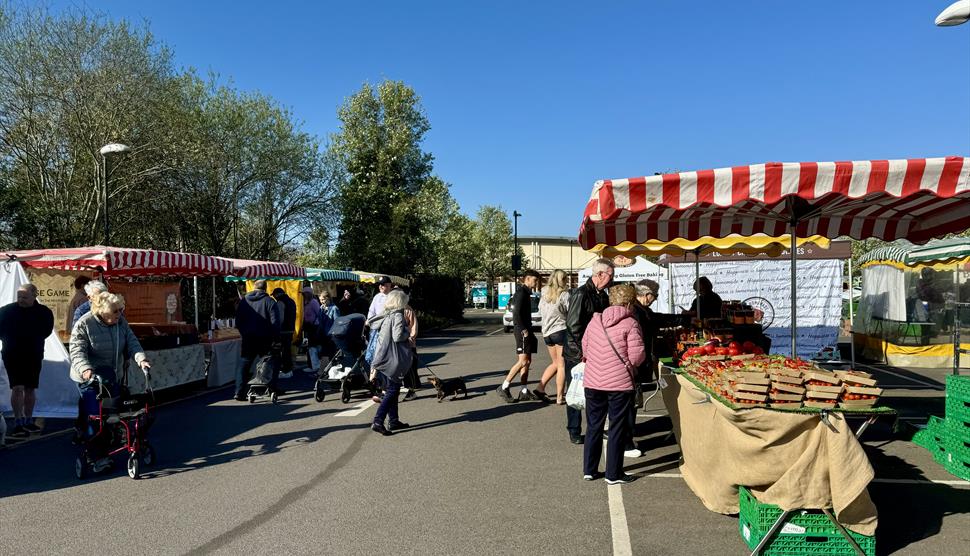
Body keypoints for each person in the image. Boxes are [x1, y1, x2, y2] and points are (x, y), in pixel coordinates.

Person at [581, 284, 645, 485]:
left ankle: (590, 469)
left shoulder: (595, 321)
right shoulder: (631, 323)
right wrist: (630, 366)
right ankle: (613, 474)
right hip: (619, 383)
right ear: (629, 303)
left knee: (593, 425)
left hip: (593, 381)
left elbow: (585, 348)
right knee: (617, 427)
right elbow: (637, 356)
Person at [69, 292, 151, 447]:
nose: (119, 314)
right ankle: (94, 453)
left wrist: (141, 359)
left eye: (120, 310)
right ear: (103, 311)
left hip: (112, 376)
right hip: (90, 377)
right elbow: (76, 351)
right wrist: (85, 369)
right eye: (115, 311)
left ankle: (109, 440)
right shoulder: (84, 323)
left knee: (113, 413)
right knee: (95, 416)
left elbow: (132, 342)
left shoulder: (121, 322)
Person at [563, 258, 614, 444]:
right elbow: (573, 326)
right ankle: (574, 429)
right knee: (576, 390)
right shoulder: (581, 294)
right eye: (610, 276)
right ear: (599, 274)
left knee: (597, 392)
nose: (612, 279)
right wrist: (581, 353)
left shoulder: (602, 295)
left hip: (595, 351)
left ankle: (597, 427)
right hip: (577, 353)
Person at [0, 284, 54, 437]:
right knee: (17, 387)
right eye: (19, 297)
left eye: (25, 297)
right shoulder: (7, 311)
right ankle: (18, 421)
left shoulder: (44, 312)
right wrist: (9, 339)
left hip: (33, 353)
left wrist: (32, 339)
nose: (21, 300)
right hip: (12, 354)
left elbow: (47, 330)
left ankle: (28, 419)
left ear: (34, 296)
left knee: (30, 388)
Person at [367, 290, 413, 436]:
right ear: (400, 302)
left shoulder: (386, 314)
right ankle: (378, 421)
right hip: (393, 359)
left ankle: (394, 420)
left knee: (392, 389)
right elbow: (398, 336)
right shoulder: (398, 315)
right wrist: (408, 333)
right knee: (393, 390)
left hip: (383, 357)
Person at [496, 269, 541, 403]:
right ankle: (504, 387)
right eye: (534, 280)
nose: (536, 282)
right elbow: (516, 313)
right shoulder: (521, 293)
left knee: (527, 361)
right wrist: (523, 330)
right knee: (523, 361)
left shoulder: (526, 293)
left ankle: (524, 391)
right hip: (522, 331)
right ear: (527, 279)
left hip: (527, 329)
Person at [233, 280, 281, 401]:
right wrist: (276, 339)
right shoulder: (269, 301)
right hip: (265, 338)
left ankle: (239, 391)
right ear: (266, 288)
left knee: (244, 364)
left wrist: (245, 333)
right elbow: (275, 322)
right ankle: (271, 388)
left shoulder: (244, 301)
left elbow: (238, 321)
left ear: (254, 287)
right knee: (270, 362)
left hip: (248, 338)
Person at [534, 269, 570, 404]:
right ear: (562, 280)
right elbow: (569, 311)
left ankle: (540, 388)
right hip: (560, 330)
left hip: (546, 331)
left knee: (555, 363)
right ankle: (560, 397)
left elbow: (540, 309)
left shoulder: (544, 292)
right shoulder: (564, 294)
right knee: (562, 365)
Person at [307, 291, 340, 373]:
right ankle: (325, 372)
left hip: (331, 335)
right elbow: (320, 321)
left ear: (328, 298)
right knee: (325, 354)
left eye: (323, 299)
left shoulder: (334, 308)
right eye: (320, 300)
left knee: (326, 354)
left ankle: (321, 372)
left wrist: (334, 335)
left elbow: (337, 322)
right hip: (323, 335)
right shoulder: (322, 308)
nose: (321, 301)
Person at [271, 288, 298, 378]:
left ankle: (286, 370)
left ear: (277, 294)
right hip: (290, 329)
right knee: (287, 349)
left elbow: (280, 318)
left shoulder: (280, 302)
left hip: (283, 330)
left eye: (274, 295)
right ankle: (289, 369)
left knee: (284, 351)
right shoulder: (291, 301)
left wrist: (276, 329)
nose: (274, 297)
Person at [401, 296, 420, 401]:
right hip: (397, 344)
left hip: (408, 343)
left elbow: (414, 325)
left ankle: (412, 388)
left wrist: (411, 337)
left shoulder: (407, 309)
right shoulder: (391, 310)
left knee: (411, 367)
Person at [301, 287, 322, 371]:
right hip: (308, 327)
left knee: (313, 346)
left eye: (304, 293)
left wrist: (315, 323)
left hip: (314, 327)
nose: (303, 295)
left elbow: (319, 314)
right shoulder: (305, 302)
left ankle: (315, 366)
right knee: (310, 346)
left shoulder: (313, 302)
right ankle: (312, 365)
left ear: (308, 294)